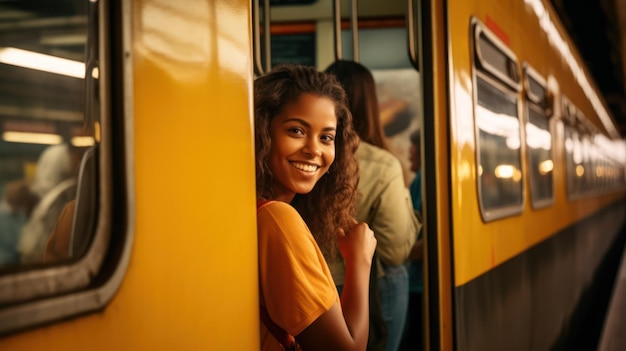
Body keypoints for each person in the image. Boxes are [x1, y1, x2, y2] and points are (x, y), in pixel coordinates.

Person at [255, 64, 377, 350]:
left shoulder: (257, 208)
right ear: (263, 133)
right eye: (296, 130)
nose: (314, 149)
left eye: (326, 137)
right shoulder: (277, 218)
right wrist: (359, 261)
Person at [325, 60, 420, 351]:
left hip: (313, 285)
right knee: (396, 270)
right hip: (367, 290)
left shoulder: (312, 152)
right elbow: (394, 251)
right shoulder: (382, 164)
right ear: (371, 104)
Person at [400, 129, 425, 351]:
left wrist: (400, 254)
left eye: (414, 145)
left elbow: (429, 242)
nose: (409, 151)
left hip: (421, 284)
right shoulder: (420, 180)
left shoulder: (424, 180)